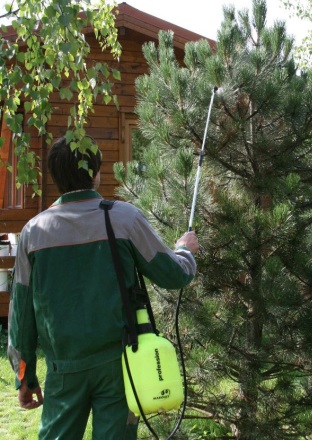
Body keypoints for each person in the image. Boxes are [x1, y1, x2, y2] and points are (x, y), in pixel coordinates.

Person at [7, 135, 199, 439]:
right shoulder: (125, 218)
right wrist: (185, 250)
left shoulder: (34, 232)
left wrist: (25, 377)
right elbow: (175, 275)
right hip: (119, 367)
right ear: (96, 173)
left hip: (63, 370)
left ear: (54, 177)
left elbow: (21, 317)